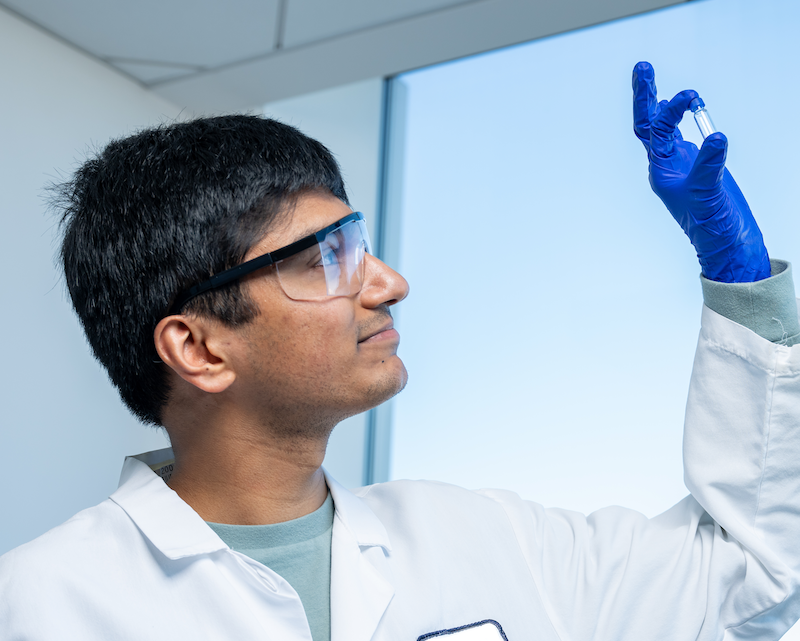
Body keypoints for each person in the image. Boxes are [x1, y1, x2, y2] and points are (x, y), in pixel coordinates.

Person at [1, 61, 798, 641]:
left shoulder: (482, 542)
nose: (389, 283)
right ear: (199, 348)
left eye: (360, 243)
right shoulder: (43, 604)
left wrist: (744, 284)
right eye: (323, 259)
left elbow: (753, 578)